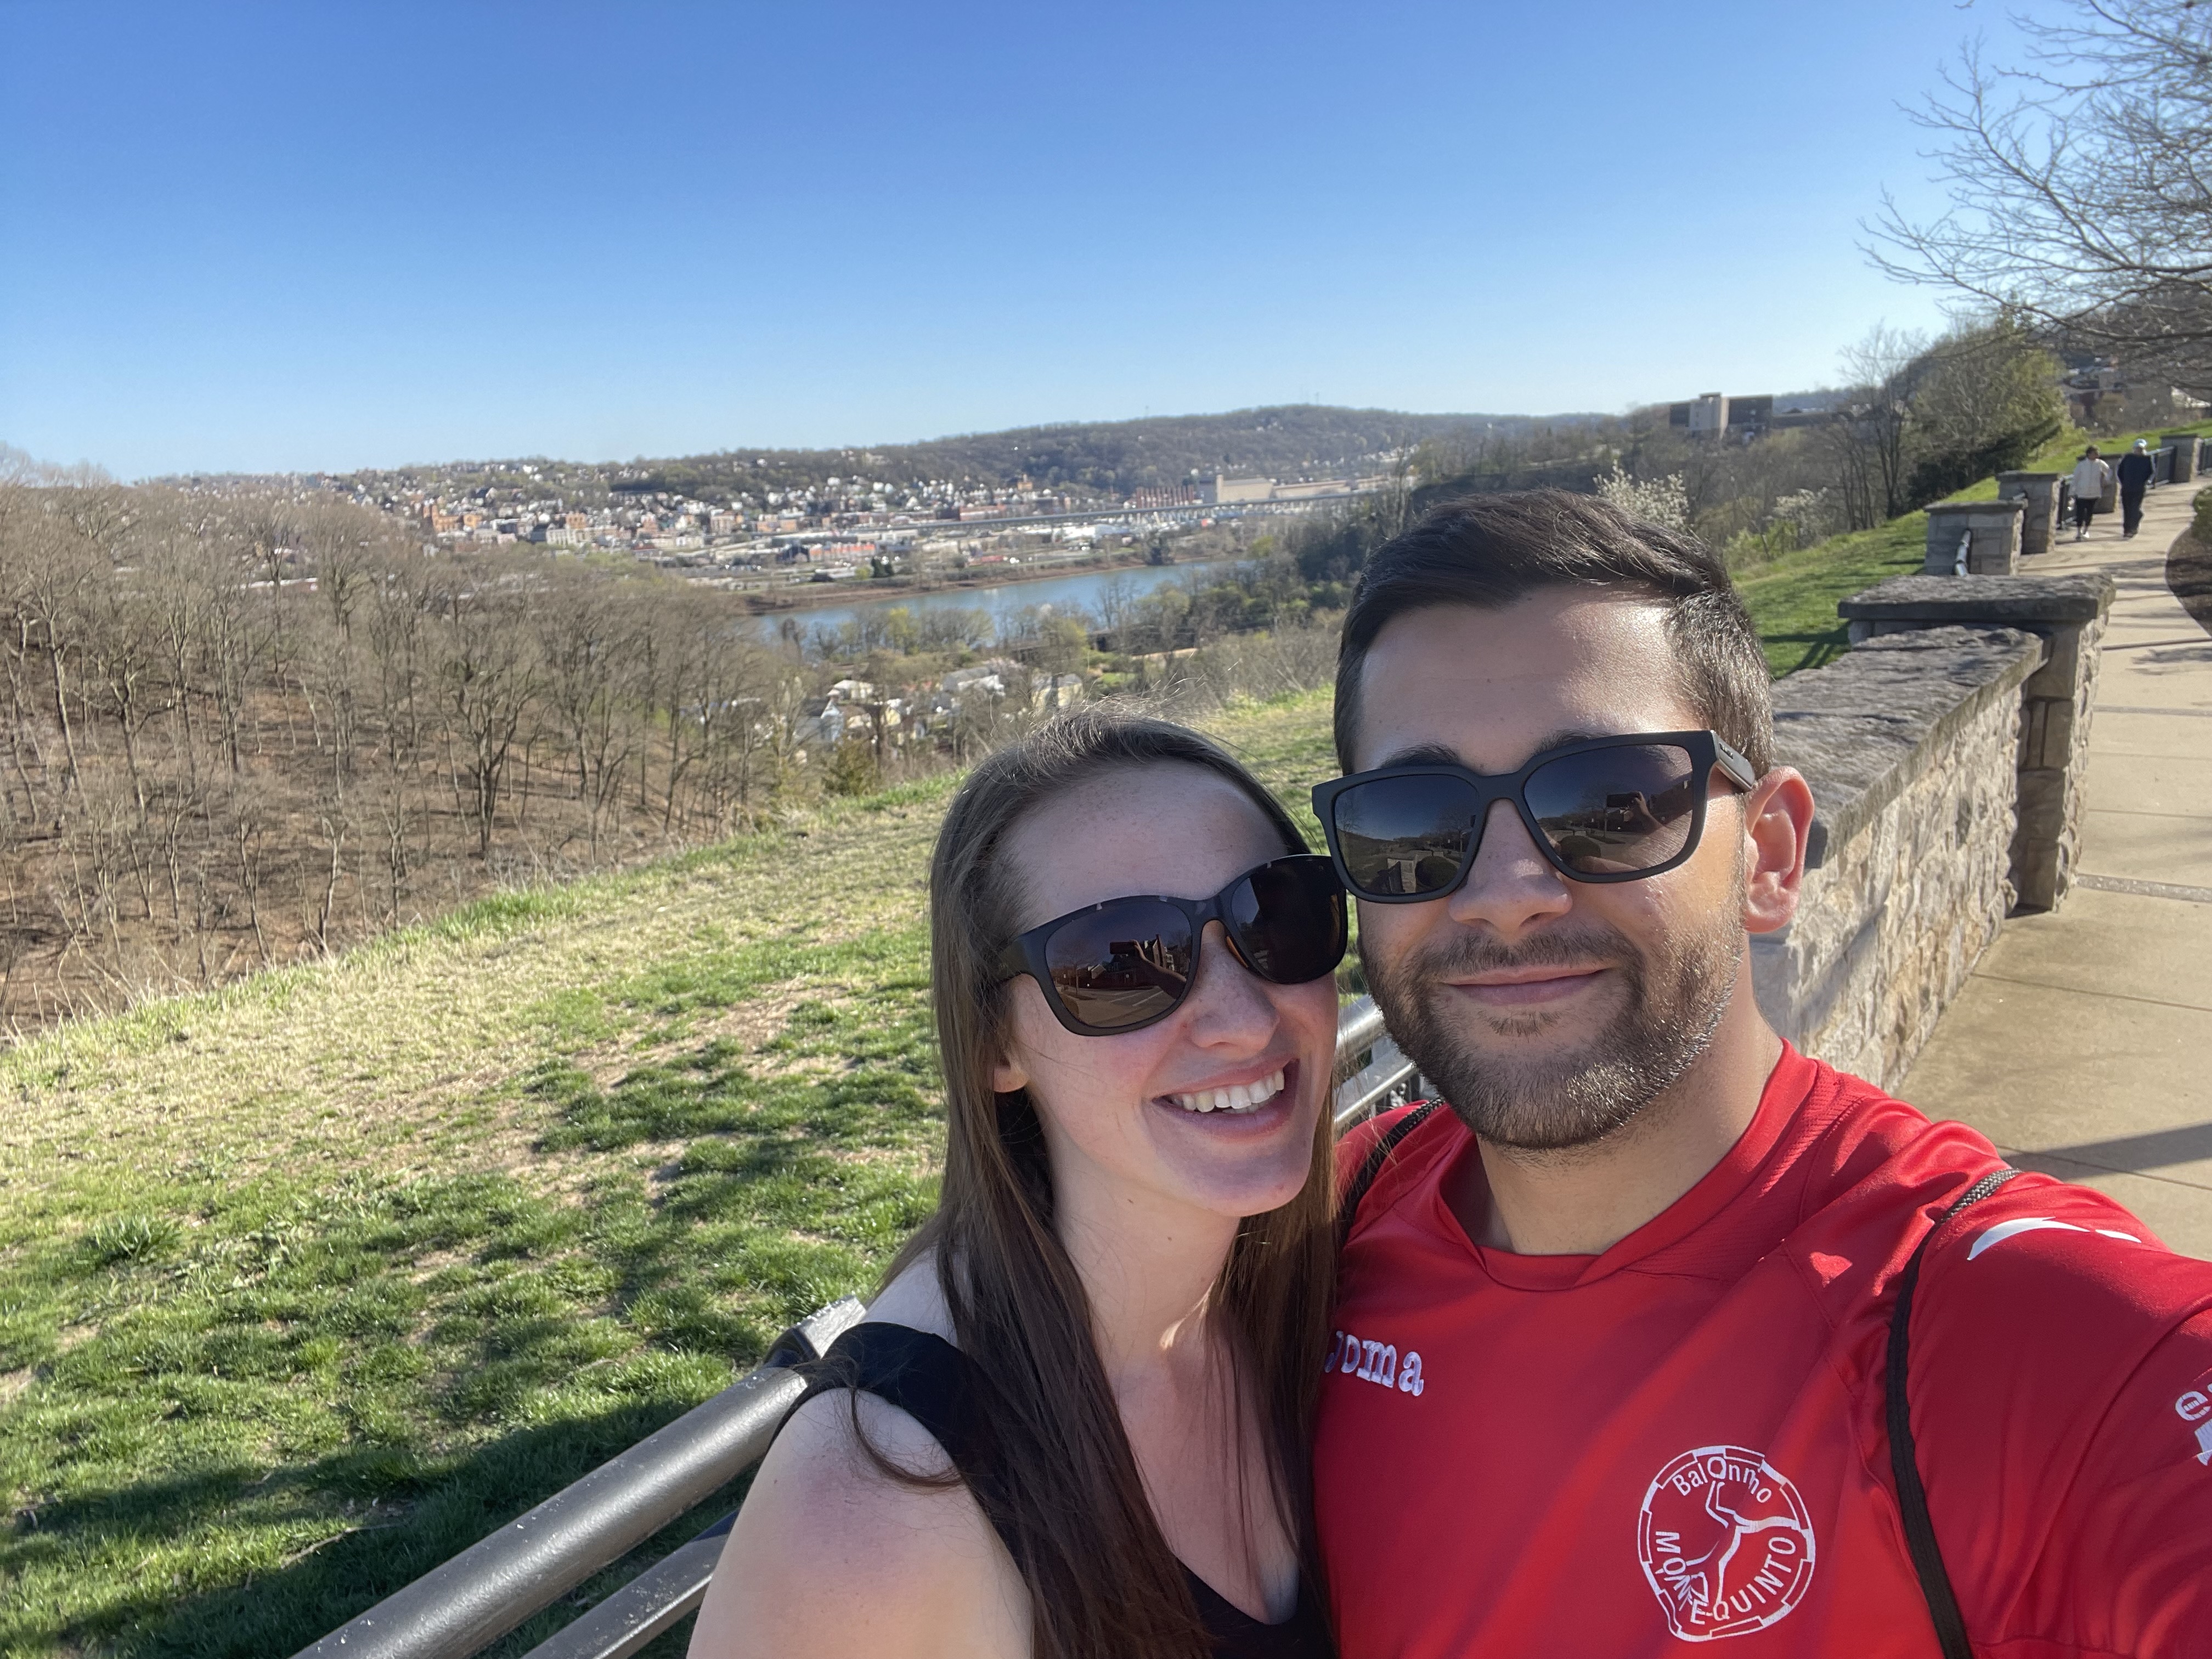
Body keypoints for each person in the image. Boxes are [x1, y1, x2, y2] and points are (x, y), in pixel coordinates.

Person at [1307, 490, 2212, 1658]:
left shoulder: (2031, 1337)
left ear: (1770, 856)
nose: (1504, 891)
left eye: (1611, 802)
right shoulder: (1328, 1228)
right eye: (1413, 824)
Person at [692, 709, 1345, 1659]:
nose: (1243, 1018)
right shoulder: (881, 1498)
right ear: (995, 1042)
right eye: (1120, 960)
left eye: (1273, 916)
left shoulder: (1310, 1300)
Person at [2115, 438, 2156, 538]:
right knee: (2127, 509)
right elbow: (2120, 472)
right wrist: (2123, 482)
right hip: (2127, 487)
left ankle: (2133, 528)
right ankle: (2126, 529)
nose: (2139, 450)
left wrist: (2147, 482)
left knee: (2134, 508)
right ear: (2134, 448)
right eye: (2137, 448)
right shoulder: (2128, 458)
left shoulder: (2147, 459)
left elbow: (2152, 472)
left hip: (2139, 488)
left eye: (2141, 449)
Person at [2069, 444, 2110, 539]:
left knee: (2090, 513)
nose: (2097, 455)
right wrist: (2071, 493)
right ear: (2089, 454)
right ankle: (2079, 532)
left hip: (2094, 493)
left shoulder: (2101, 464)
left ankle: (2086, 530)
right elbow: (2076, 479)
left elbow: (2109, 472)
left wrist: (2105, 480)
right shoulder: (2082, 465)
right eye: (2095, 453)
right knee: (2080, 513)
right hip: (2082, 493)